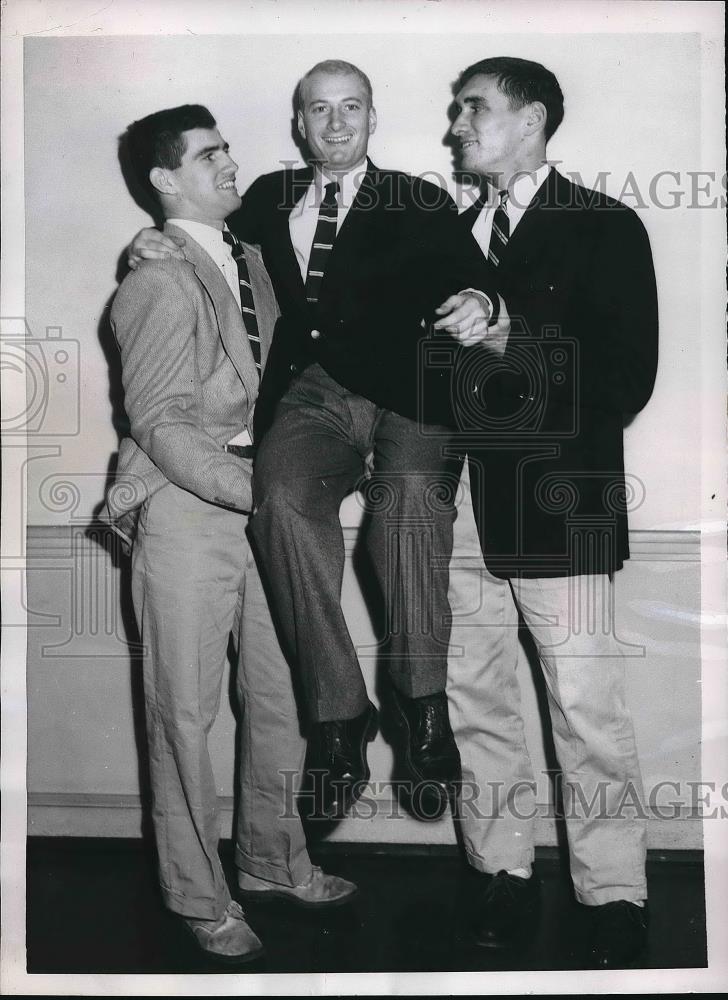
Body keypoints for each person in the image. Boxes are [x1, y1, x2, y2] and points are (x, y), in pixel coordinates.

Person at [129, 60, 505, 822]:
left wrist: (476, 298)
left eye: (351, 108)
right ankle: (340, 716)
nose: (336, 123)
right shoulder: (265, 198)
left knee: (408, 511)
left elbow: (472, 277)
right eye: (319, 110)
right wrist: (147, 240)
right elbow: (205, 244)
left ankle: (419, 702)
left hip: (411, 394)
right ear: (299, 124)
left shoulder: (416, 196)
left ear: (373, 117)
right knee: (284, 504)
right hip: (312, 399)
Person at [101, 104, 356, 964]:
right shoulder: (156, 278)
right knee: (183, 711)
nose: (230, 163)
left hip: (268, 506)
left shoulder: (255, 256)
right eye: (209, 156)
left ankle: (274, 863)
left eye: (228, 149)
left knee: (282, 696)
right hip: (189, 506)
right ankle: (197, 897)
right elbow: (161, 420)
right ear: (165, 180)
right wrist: (252, 491)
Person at [444, 57, 658, 967]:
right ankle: (501, 871)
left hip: (560, 503)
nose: (457, 126)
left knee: (586, 710)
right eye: (456, 112)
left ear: (531, 121)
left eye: (475, 110)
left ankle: (612, 891)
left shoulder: (605, 226)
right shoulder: (444, 237)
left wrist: (509, 336)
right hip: (451, 512)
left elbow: (623, 380)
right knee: (474, 701)